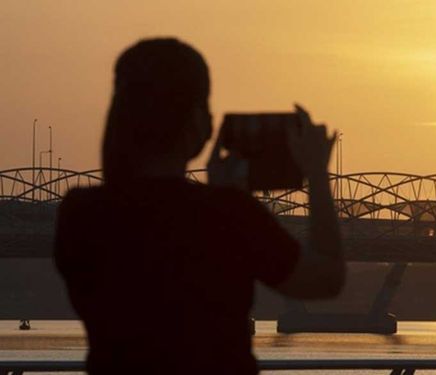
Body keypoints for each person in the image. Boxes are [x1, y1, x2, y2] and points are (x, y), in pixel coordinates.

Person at [54, 38, 344, 374]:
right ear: (198, 123)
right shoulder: (229, 215)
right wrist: (318, 177)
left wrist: (220, 198)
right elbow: (327, 279)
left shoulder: (80, 215)